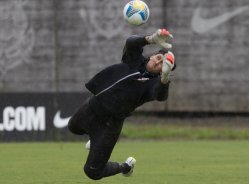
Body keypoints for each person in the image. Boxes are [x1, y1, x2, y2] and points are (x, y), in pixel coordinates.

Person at [68, 28, 176, 180]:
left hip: (110, 124)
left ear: (161, 71)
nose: (158, 62)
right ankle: (95, 141)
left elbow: (161, 95)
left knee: (93, 172)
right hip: (93, 107)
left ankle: (125, 167)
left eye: (162, 65)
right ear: (152, 56)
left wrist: (165, 79)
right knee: (73, 128)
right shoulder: (134, 60)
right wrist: (150, 39)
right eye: (158, 57)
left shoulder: (153, 83)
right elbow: (130, 43)